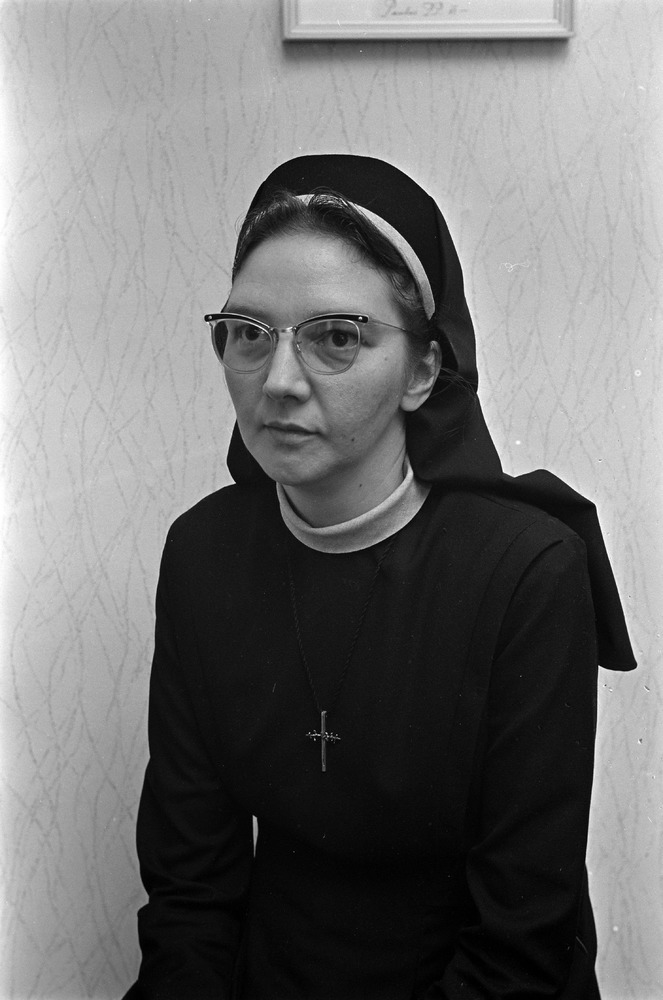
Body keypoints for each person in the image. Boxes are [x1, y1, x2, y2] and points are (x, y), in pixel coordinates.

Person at [124, 155, 636, 1000]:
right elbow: (189, 892)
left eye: (335, 337)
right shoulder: (201, 555)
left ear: (423, 371)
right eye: (249, 332)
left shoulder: (527, 573)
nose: (277, 383)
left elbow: (520, 939)